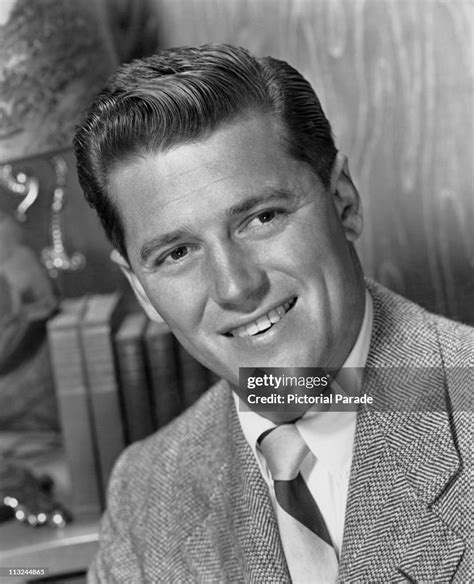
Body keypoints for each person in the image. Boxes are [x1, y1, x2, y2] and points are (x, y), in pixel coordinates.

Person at [74, 44, 472, 583]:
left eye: (261, 218)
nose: (236, 286)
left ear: (344, 202)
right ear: (141, 290)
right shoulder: (145, 497)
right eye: (176, 253)